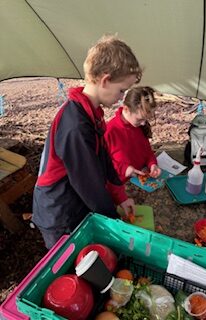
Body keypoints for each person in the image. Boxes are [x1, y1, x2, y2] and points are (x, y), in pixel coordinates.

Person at [32, 35, 142, 249]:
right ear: (105, 80)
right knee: (70, 263)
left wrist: (120, 196)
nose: (122, 97)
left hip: (76, 201)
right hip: (60, 212)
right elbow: (88, 183)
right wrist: (113, 222)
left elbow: (103, 159)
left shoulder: (92, 113)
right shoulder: (76, 126)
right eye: (121, 90)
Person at [105, 86, 161, 188]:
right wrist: (125, 169)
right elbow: (101, 163)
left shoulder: (139, 126)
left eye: (145, 119)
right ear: (126, 109)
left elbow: (147, 151)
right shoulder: (110, 131)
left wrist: (152, 164)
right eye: (139, 119)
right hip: (119, 186)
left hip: (140, 180)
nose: (143, 123)